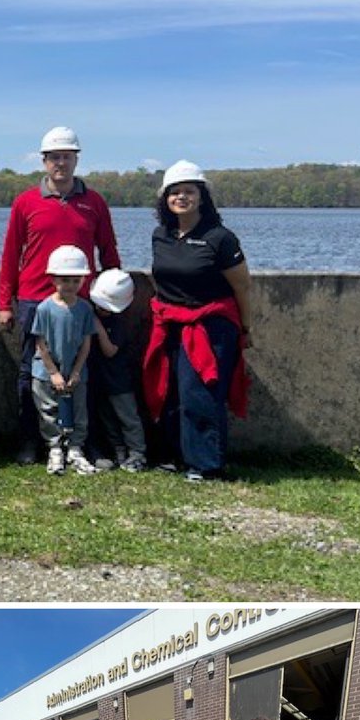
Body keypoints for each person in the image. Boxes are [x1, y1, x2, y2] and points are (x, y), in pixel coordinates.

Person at [0, 125, 120, 464]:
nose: (60, 163)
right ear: (44, 161)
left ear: (76, 159)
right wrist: (5, 303)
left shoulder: (94, 202)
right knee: (31, 373)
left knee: (85, 372)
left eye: (66, 156)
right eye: (54, 157)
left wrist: (111, 297)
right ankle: (30, 441)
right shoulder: (25, 202)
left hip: (81, 301)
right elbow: (10, 255)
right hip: (34, 300)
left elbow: (109, 252)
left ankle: (87, 442)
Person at [142, 160, 252, 482]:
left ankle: (206, 465)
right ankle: (175, 456)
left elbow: (242, 286)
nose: (181, 197)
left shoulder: (220, 238)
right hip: (170, 322)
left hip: (210, 326)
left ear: (202, 196)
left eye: (188, 191)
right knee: (170, 391)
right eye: (174, 192)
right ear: (165, 199)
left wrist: (245, 327)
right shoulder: (160, 235)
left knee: (200, 395)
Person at [31, 245, 97, 476]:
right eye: (65, 280)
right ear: (53, 279)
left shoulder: (85, 309)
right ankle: (55, 448)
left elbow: (86, 343)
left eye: (76, 281)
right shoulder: (44, 309)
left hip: (75, 370)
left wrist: (77, 371)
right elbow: (40, 343)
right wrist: (53, 373)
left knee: (79, 411)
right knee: (48, 410)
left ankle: (76, 448)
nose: (70, 285)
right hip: (46, 371)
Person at [87, 268, 146, 472]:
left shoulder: (119, 324)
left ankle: (137, 452)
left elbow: (110, 350)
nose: (101, 310)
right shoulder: (91, 313)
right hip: (100, 379)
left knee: (128, 417)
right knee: (107, 417)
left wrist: (99, 329)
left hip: (119, 380)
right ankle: (118, 450)